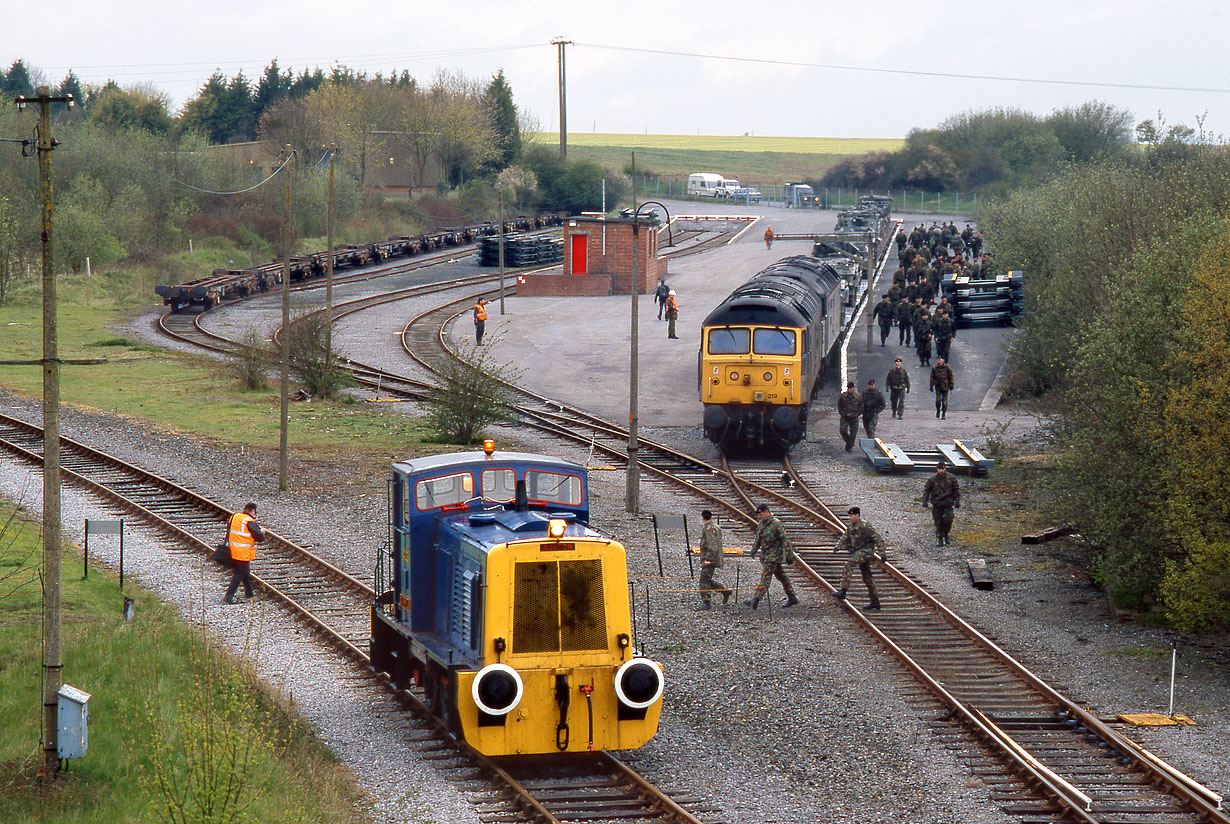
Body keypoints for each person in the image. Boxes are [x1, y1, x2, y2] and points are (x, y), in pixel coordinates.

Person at [744, 503, 799, 610]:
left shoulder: (776, 524)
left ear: (766, 513)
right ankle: (792, 597)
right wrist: (754, 549)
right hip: (766, 555)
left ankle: (756, 600)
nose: (759, 517)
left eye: (760, 515)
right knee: (781, 576)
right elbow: (758, 538)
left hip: (773, 557)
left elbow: (785, 540)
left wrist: (788, 555)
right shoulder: (762, 524)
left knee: (765, 578)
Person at [831, 506, 886, 611]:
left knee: (849, 564)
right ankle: (875, 601)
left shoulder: (865, 526)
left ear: (857, 515)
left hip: (866, 552)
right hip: (859, 552)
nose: (849, 518)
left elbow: (878, 539)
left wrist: (882, 553)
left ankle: (843, 590)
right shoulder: (851, 526)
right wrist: (837, 547)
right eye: (849, 516)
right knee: (867, 577)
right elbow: (845, 537)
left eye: (851, 516)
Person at [224, 502, 266, 604]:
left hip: (232, 549)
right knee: (239, 573)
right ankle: (229, 596)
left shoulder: (235, 516)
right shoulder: (249, 521)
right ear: (252, 511)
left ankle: (249, 593)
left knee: (245, 571)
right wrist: (263, 532)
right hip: (242, 552)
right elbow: (259, 538)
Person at [696, 510, 732, 610]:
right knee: (707, 579)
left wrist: (708, 559)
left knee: (703, 580)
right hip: (715, 557)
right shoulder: (716, 527)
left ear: (702, 517)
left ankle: (707, 602)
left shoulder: (709, 529)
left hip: (711, 558)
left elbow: (712, 545)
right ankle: (725, 591)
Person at [922, 462, 960, 546]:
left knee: (948, 520)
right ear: (937, 469)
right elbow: (927, 490)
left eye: (942, 469)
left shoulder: (951, 478)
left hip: (948, 503)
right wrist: (925, 500)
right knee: (938, 522)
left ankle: (946, 534)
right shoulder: (932, 479)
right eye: (939, 469)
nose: (941, 471)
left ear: (945, 469)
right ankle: (940, 538)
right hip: (937, 503)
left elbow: (956, 490)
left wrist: (957, 501)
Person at [837, 381, 863, 452]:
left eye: (852, 388)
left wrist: (857, 414)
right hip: (845, 416)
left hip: (854, 417)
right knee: (843, 430)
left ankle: (849, 446)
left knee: (853, 432)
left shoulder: (858, 396)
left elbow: (861, 406)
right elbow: (839, 405)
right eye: (849, 388)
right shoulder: (843, 396)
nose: (850, 389)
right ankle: (849, 442)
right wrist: (842, 413)